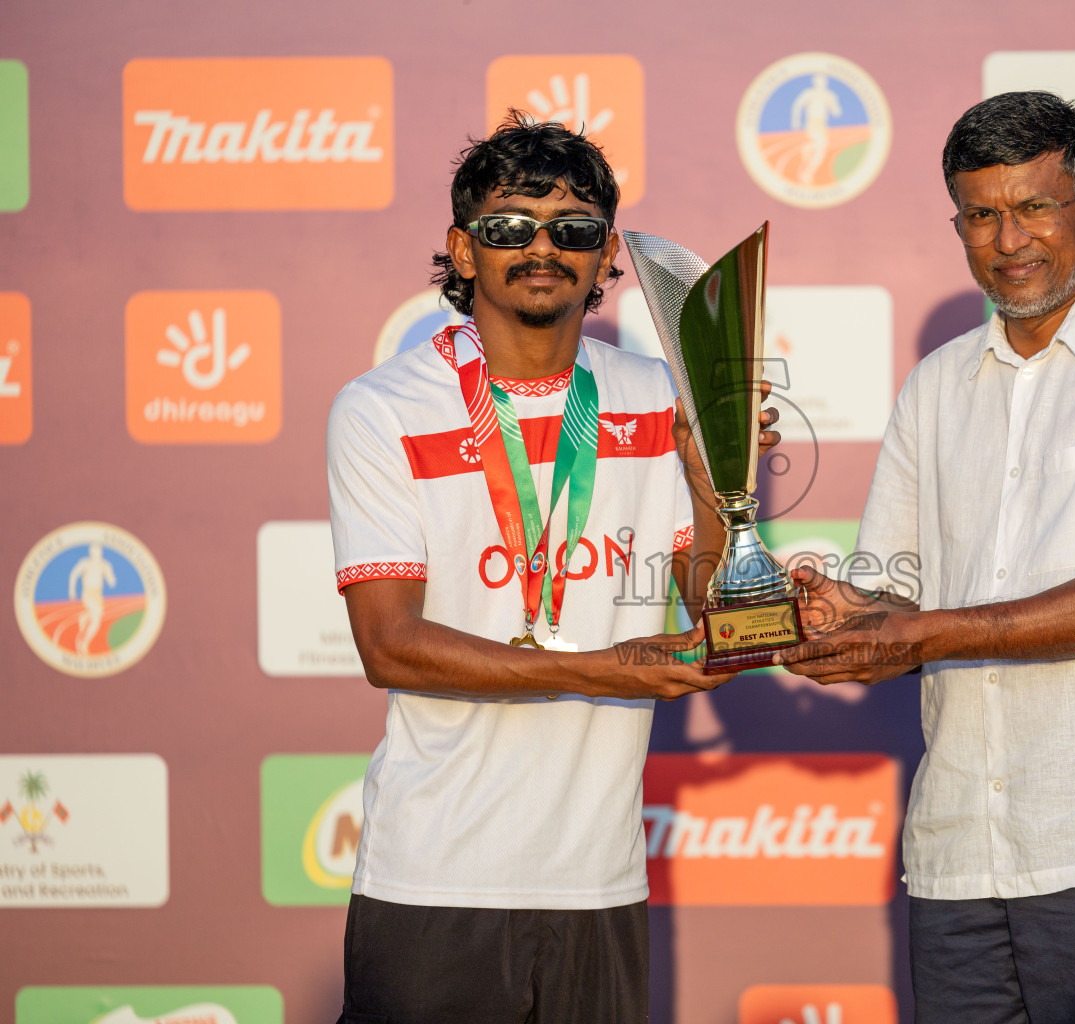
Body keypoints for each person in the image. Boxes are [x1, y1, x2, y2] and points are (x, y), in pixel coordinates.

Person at [779, 91, 1075, 1023]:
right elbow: (890, 599)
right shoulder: (936, 386)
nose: (1008, 239)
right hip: (956, 857)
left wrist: (917, 631)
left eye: (1034, 207)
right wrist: (827, 612)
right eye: (982, 214)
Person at [326, 111, 778, 1024]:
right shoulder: (383, 409)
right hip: (432, 883)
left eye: (572, 231)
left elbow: (712, 612)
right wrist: (605, 672)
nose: (542, 249)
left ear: (606, 255)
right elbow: (393, 647)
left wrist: (711, 485)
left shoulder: (662, 398)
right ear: (462, 250)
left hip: (598, 885)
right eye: (507, 229)